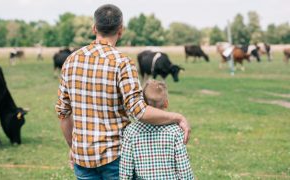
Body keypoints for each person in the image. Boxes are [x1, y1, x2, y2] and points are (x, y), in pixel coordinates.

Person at [55, 4, 191, 180]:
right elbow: (139, 111)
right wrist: (177, 117)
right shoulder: (122, 63)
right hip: (116, 158)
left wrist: (73, 147)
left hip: (83, 158)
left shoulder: (71, 61)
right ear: (121, 30)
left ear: (94, 28)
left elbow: (63, 113)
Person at [120, 80, 194, 179]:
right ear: (166, 103)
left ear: (143, 104)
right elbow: (184, 170)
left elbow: (126, 171)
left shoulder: (131, 131)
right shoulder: (175, 131)